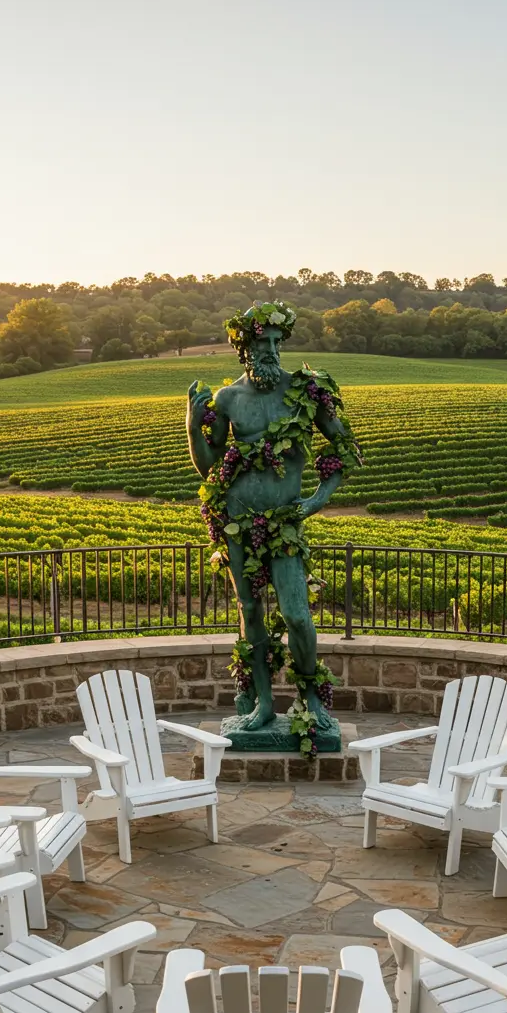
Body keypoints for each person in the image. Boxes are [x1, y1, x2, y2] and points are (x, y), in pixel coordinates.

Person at [186, 302, 358, 732]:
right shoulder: (227, 399)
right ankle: (263, 704)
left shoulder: (305, 391)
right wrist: (193, 427)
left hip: (284, 523)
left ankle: (311, 700)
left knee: (297, 614)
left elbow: (343, 447)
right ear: (242, 347)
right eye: (261, 342)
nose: (271, 349)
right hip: (238, 521)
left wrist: (318, 499)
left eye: (276, 342)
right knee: (249, 610)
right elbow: (212, 467)